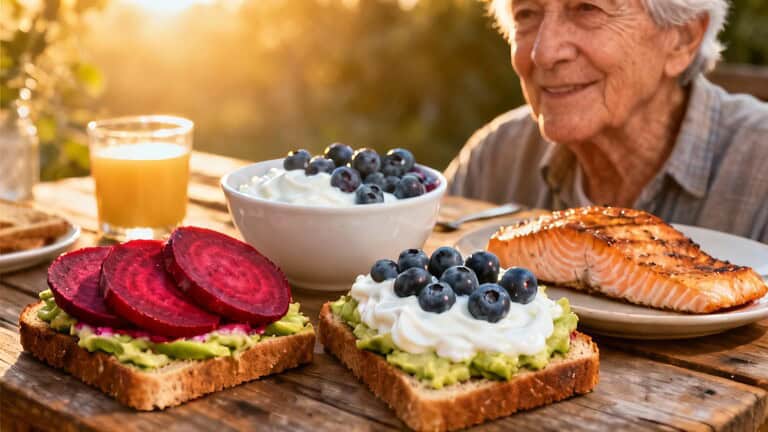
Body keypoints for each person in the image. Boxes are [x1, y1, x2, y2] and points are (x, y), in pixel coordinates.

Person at [445, 0, 768, 243]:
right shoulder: (496, 157)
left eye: (587, 9)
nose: (544, 53)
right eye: (526, 13)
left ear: (682, 39)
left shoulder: (759, 170)